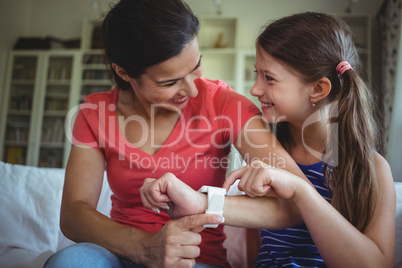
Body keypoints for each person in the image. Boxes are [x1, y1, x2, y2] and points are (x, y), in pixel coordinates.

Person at [44, 1, 308, 267]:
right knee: (69, 262)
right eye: (169, 82)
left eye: (196, 67)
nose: (193, 91)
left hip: (197, 259)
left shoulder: (225, 104)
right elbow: (73, 214)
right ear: (123, 72)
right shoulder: (94, 114)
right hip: (118, 253)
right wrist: (144, 247)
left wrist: (203, 202)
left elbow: (297, 201)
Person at [140, 12, 396, 267]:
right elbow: (258, 243)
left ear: (318, 89)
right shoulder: (265, 153)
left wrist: (300, 191)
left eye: (269, 78)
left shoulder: (370, 168)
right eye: (256, 74)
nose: (254, 90)